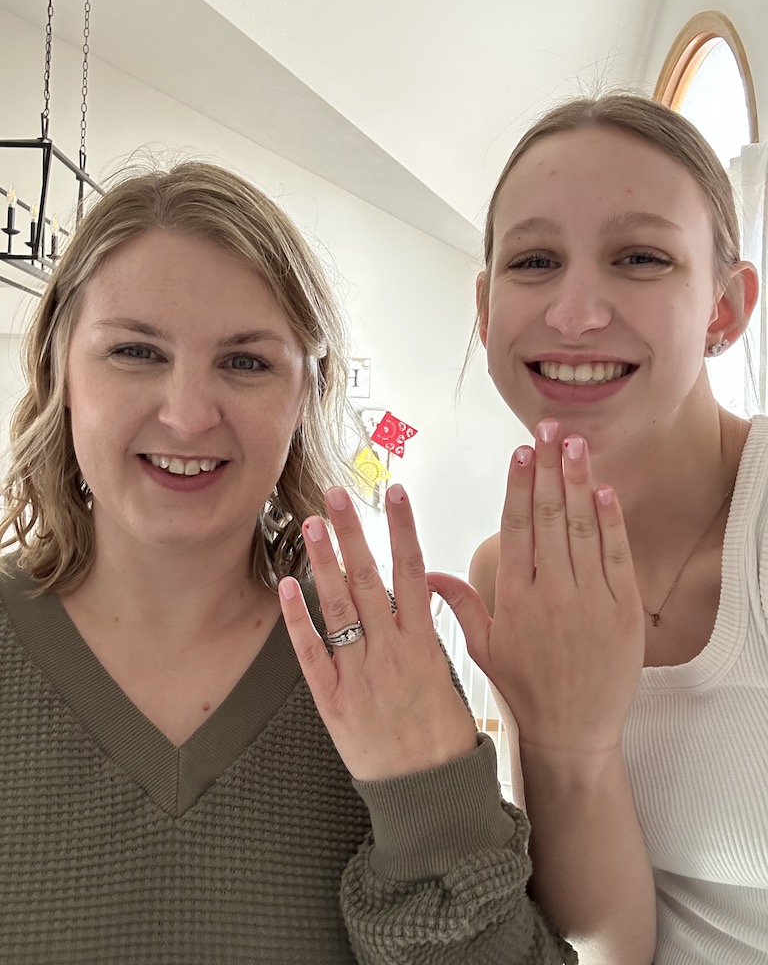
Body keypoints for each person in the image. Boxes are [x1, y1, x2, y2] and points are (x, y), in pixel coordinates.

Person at [0, 160, 575, 964]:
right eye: (134, 351)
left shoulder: (385, 662)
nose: (189, 414)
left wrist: (427, 805)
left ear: (307, 393)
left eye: (246, 362)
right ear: (60, 368)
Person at [429, 92, 768, 965]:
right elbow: (601, 943)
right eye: (534, 260)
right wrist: (565, 745)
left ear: (726, 309)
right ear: (483, 309)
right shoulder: (513, 575)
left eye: (642, 258)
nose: (574, 314)